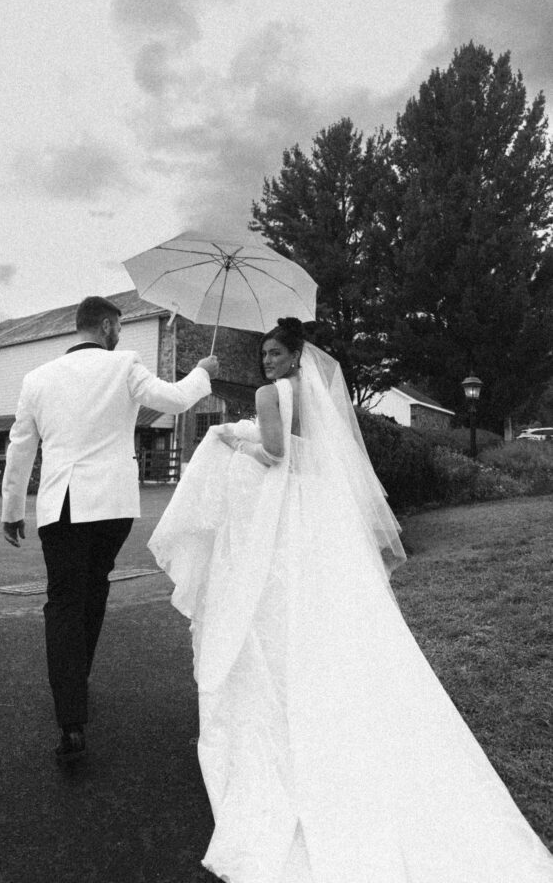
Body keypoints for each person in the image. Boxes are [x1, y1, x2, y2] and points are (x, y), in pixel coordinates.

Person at [148, 317, 553, 882]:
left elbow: (272, 453)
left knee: (271, 605)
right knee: (319, 605)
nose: (266, 361)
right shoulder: (313, 398)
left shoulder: (270, 394)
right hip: (313, 513)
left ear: (294, 357)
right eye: (264, 353)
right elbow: (308, 450)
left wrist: (228, 437)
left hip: (282, 513)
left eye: (274, 353)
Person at [1, 295, 219, 763]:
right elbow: (176, 399)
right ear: (104, 326)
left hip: (61, 505)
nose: (120, 334)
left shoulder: (36, 379)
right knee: (94, 589)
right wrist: (203, 370)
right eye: (118, 326)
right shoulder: (125, 366)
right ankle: (78, 677)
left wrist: (12, 508)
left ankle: (71, 718)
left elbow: (20, 448)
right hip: (113, 506)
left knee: (63, 602)